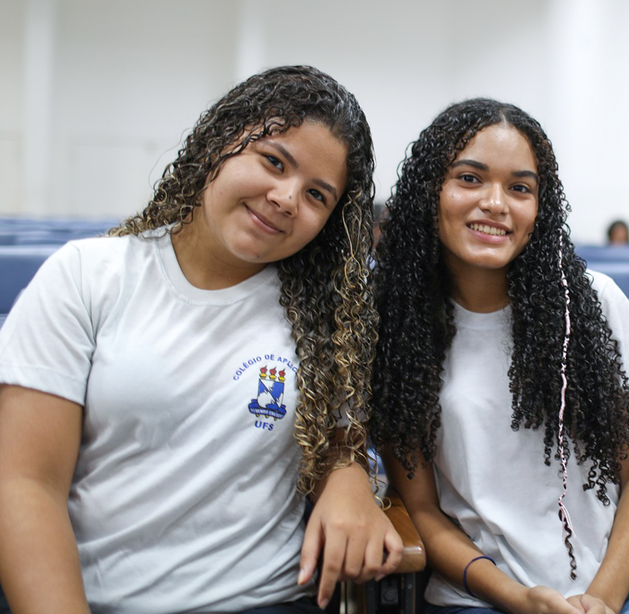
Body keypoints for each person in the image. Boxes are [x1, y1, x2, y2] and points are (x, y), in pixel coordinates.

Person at [0, 66, 402, 613]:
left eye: (316, 195)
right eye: (274, 161)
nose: (286, 198)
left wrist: (349, 474)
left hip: (267, 600)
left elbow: (338, 442)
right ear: (221, 140)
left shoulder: (327, 315)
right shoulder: (88, 277)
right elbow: (25, 484)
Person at [369, 98, 629, 614]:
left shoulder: (594, 304)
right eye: (470, 179)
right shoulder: (399, 330)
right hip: (478, 593)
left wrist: (601, 600)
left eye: (520, 188)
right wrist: (514, 596)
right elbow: (423, 509)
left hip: (619, 580)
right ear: (430, 192)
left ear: (540, 209)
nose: (496, 203)